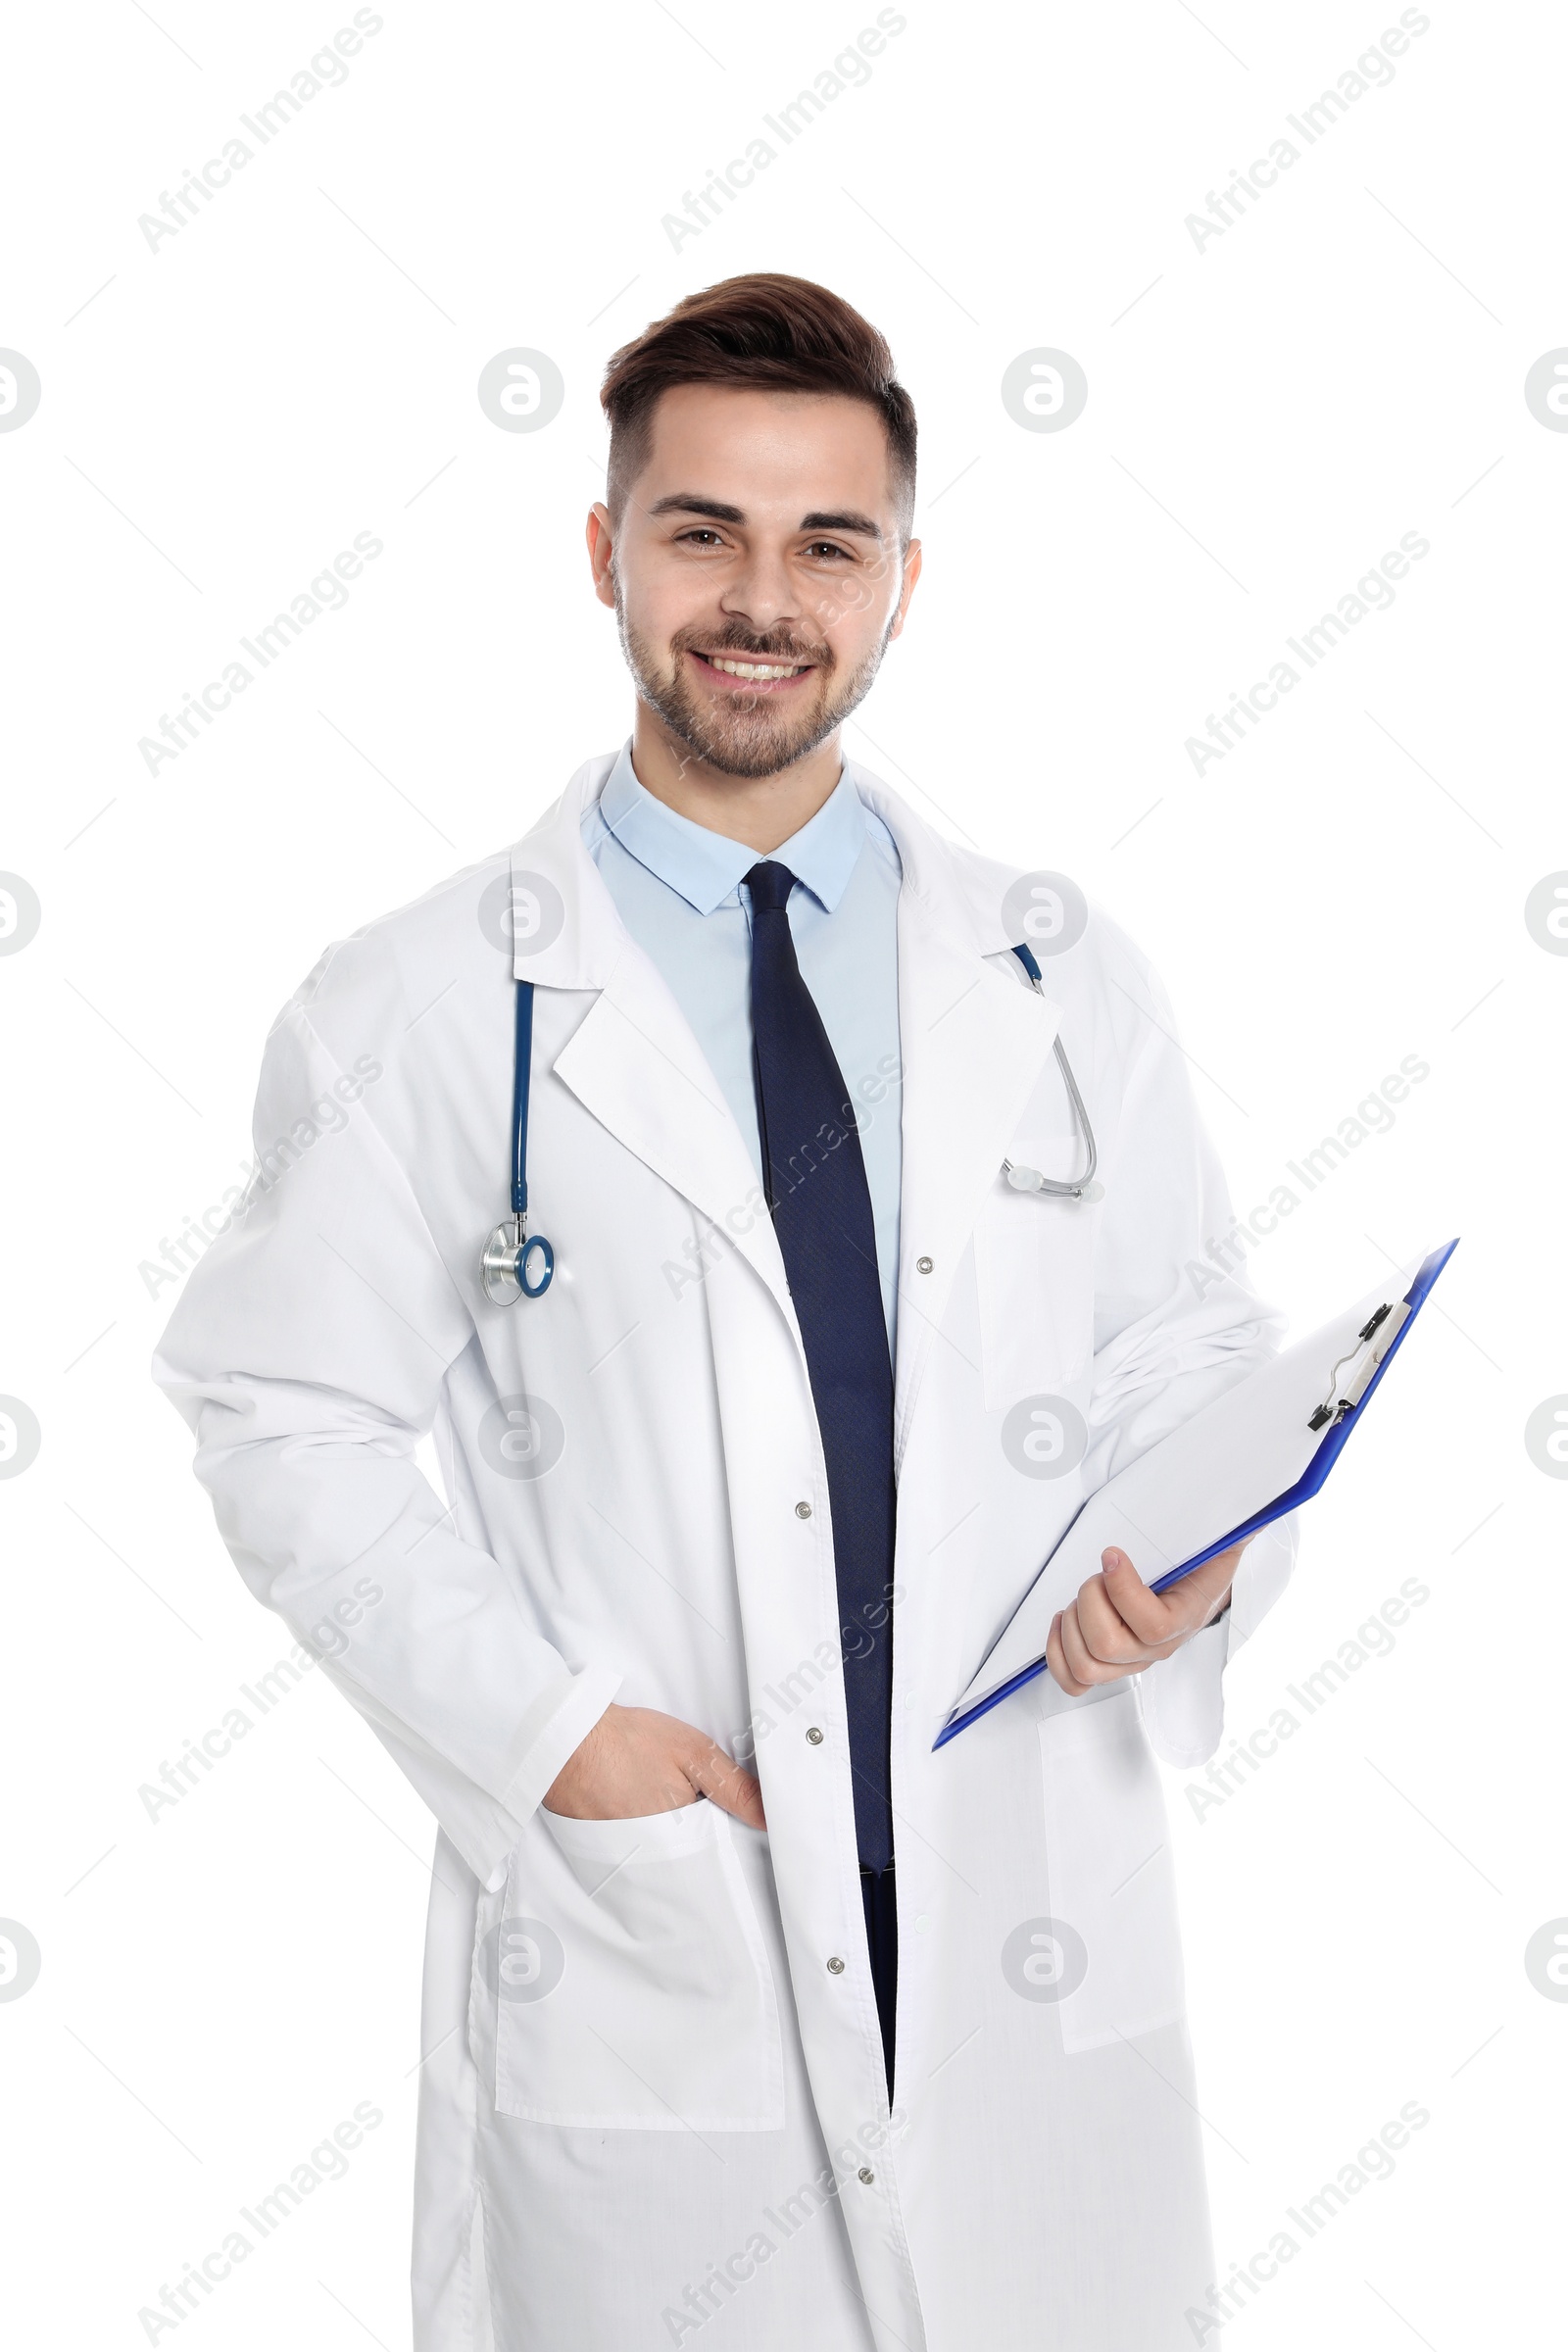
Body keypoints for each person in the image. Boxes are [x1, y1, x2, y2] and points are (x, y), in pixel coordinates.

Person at [154, 273, 1295, 2352]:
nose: (760, 598)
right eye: (702, 532)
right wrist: (545, 1731)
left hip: (1015, 1870)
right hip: (670, 1909)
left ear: (900, 582)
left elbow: (1186, 1340)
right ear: (604, 552)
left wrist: (1203, 1556)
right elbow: (275, 1407)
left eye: (824, 545)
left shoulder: (1050, 967)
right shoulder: (421, 1003)